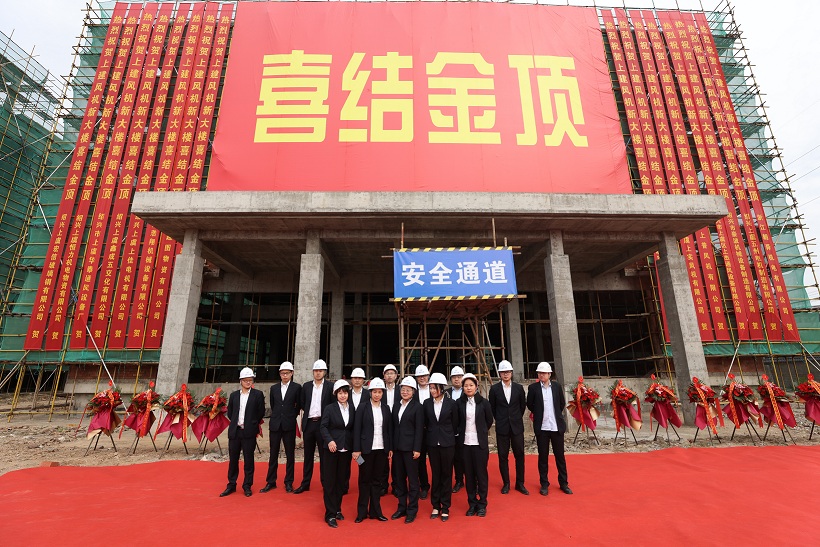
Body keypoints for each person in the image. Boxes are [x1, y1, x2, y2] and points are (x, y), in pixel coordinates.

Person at [526, 362, 572, 496]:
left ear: (549, 374)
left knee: (560, 457)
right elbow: (530, 404)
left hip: (556, 427)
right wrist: (539, 414)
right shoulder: (533, 388)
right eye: (540, 373)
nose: (542, 375)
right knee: (543, 457)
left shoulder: (557, 387)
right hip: (542, 428)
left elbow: (561, 403)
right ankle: (544, 484)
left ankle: (564, 483)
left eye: (544, 373)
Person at [221, 367, 266, 498]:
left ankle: (247, 485)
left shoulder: (257, 394)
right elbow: (231, 413)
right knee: (233, 460)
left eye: (250, 380)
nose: (247, 382)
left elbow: (260, 412)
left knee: (248, 460)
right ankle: (231, 484)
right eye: (245, 380)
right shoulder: (234, 395)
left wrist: (252, 423)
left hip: (249, 432)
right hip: (235, 432)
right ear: (240, 381)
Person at [352, 378, 392, 523]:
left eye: (379, 392)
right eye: (374, 392)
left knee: (377, 481)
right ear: (370, 392)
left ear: (383, 393)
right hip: (364, 451)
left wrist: (389, 448)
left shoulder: (386, 408)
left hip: (381, 450)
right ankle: (361, 512)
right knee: (364, 480)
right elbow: (357, 429)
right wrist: (356, 449)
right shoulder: (362, 407)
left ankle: (376, 512)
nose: (377, 394)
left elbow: (388, 430)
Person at [488, 360, 529, 496]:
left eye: (508, 372)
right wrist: (501, 419)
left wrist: (515, 418)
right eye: (503, 372)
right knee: (502, 456)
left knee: (520, 455)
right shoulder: (494, 389)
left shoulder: (518, 388)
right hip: (502, 427)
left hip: (516, 427)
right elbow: (492, 408)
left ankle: (520, 483)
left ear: (511, 373)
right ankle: (506, 483)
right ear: (499, 374)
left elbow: (522, 406)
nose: (505, 374)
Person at [423, 372, 459, 522]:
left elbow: (455, 423)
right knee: (436, 474)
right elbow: (426, 423)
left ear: (442, 388)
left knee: (446, 474)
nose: (432, 390)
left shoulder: (452, 404)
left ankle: (445, 507)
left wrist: (447, 434)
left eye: (434, 388)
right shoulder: (426, 403)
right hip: (432, 443)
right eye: (430, 388)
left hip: (447, 443)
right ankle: (435, 505)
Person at [262, 361, 302, 493]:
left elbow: (298, 405)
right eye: (282, 373)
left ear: (292, 373)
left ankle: (289, 482)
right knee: (273, 454)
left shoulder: (297, 388)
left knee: (290, 455)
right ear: (279, 374)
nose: (285, 375)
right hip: (275, 424)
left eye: (287, 373)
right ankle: (271, 481)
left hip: (289, 424)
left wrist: (290, 416)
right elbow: (274, 405)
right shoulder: (274, 388)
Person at [294, 359, 334, 494]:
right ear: (313, 372)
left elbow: (332, 405)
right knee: (308, 456)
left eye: (320, 371)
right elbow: (302, 403)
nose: (318, 373)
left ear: (325, 372)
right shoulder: (306, 386)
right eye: (316, 371)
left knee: (324, 456)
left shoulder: (330, 387)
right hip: (309, 424)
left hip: (323, 425)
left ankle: (325, 484)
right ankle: (305, 483)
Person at [457, 373, 493, 517]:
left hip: (479, 444)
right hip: (465, 444)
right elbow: (457, 421)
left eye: (471, 385)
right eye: (466, 385)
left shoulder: (484, 403)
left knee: (481, 474)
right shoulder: (459, 403)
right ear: (462, 388)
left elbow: (489, 420)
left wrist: (481, 432)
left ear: (476, 386)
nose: (468, 388)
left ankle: (482, 503)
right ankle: (472, 504)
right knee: (469, 475)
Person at [320, 380, 355, 528]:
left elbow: (352, 429)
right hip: (332, 450)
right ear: (335, 394)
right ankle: (330, 514)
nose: (343, 395)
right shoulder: (329, 408)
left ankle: (337, 509)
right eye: (340, 393)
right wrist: (330, 441)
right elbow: (323, 427)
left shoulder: (352, 408)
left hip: (346, 450)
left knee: (341, 482)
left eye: (345, 392)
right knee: (330, 483)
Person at [391, 376, 424, 524]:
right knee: (399, 480)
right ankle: (401, 507)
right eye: (403, 389)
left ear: (413, 391)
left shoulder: (418, 407)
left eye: (408, 390)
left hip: (411, 449)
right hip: (397, 449)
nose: (405, 392)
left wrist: (417, 448)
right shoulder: (396, 405)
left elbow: (419, 429)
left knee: (413, 481)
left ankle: (412, 510)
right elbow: (393, 427)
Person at [413, 364, 431, 500]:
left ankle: (439, 486)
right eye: (419, 376)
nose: (422, 378)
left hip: (433, 431)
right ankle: (424, 486)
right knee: (419, 461)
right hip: (419, 432)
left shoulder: (434, 389)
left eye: (424, 375)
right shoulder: (413, 392)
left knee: (437, 461)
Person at [446, 366, 465, 493]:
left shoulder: (468, 390)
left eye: (459, 377)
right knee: (455, 458)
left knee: (466, 457)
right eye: (454, 377)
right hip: (450, 430)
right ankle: (459, 480)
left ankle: (472, 480)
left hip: (464, 430)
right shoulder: (446, 392)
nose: (457, 379)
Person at [380, 364, 399, 496]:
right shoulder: (380, 390)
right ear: (384, 376)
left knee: (397, 459)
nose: (390, 375)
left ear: (396, 375)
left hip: (398, 427)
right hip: (383, 426)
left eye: (392, 373)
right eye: (387, 373)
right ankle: (383, 485)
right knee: (383, 458)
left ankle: (397, 485)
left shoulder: (402, 390)